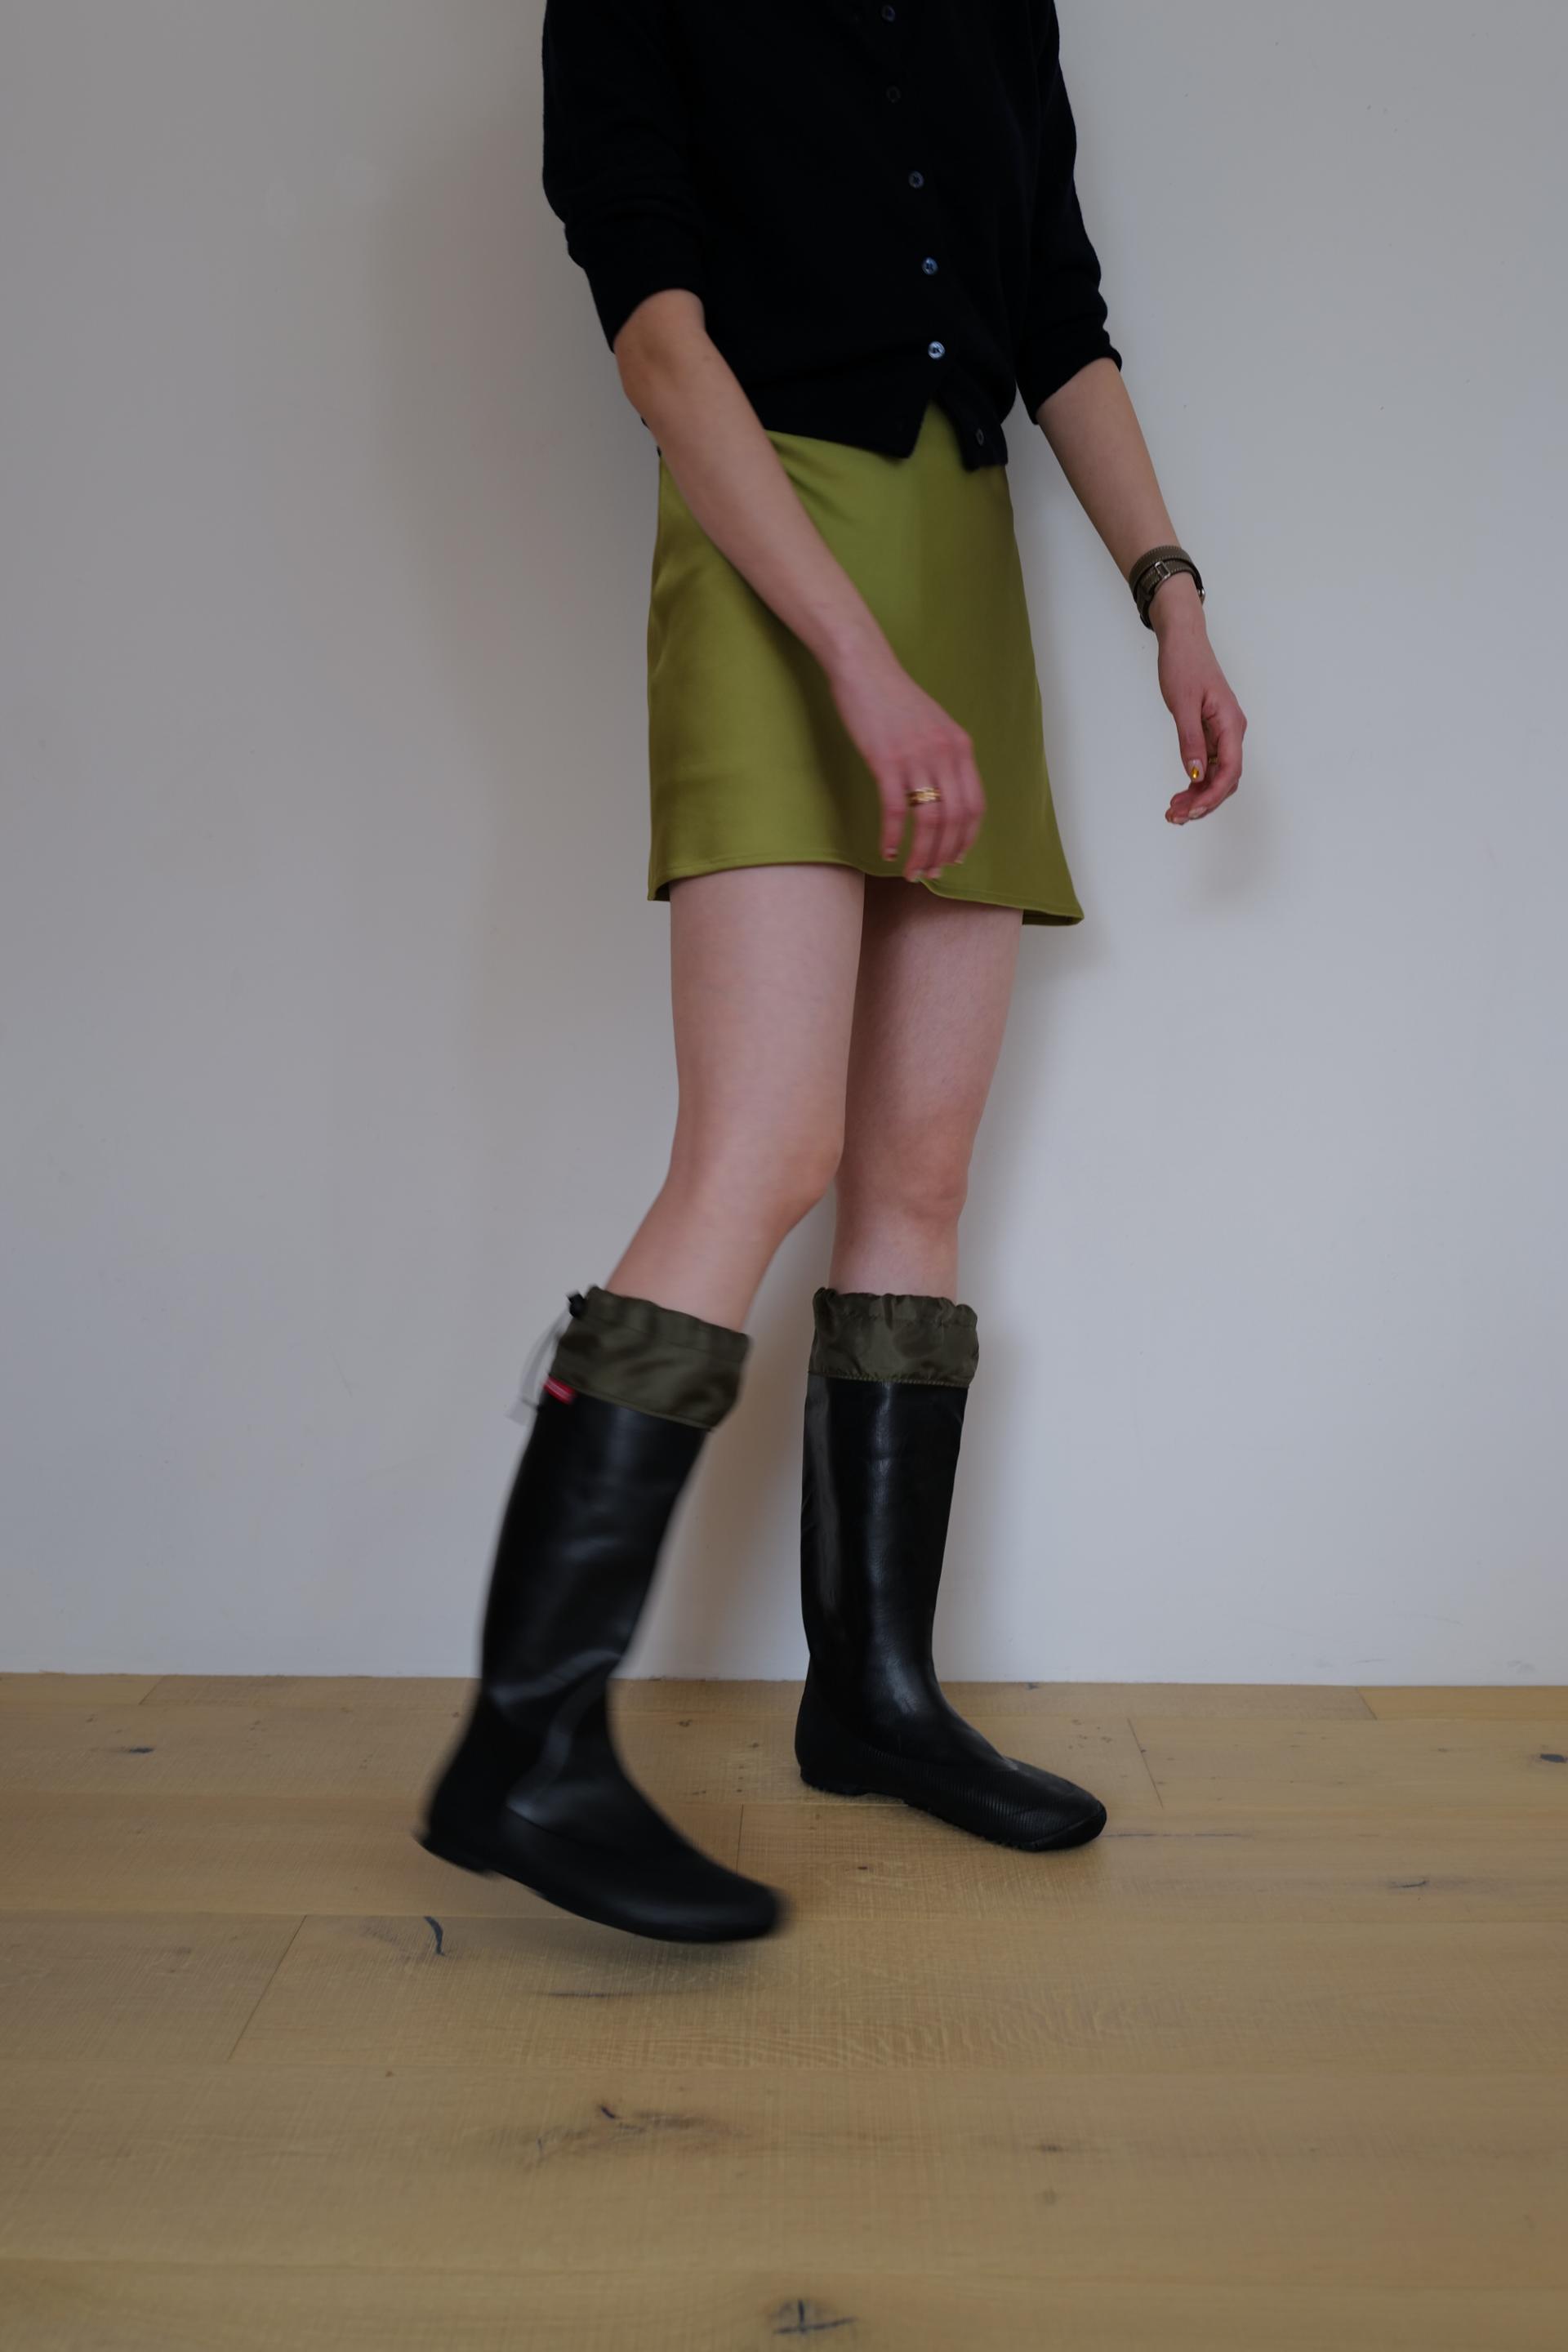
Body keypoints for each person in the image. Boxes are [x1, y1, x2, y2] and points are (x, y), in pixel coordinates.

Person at [419, 0, 1247, 1942]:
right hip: (771, 555)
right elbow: (657, 343)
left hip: (960, 565)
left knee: (917, 1181)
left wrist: (1170, 592)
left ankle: (871, 1698)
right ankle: (526, 1742)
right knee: (761, 1151)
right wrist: (858, 663)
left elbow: (1058, 314)